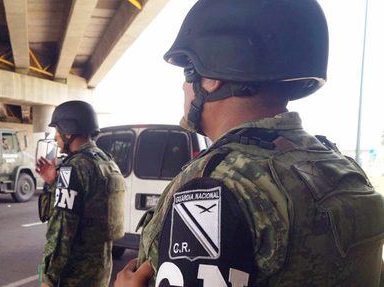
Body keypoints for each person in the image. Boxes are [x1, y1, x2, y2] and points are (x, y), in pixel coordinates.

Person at [115, 0, 384, 286]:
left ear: (212, 79)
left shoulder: (218, 183)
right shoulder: (343, 171)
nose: (183, 86)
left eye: (188, 71)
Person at [36, 100, 126, 287]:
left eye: (57, 130)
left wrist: (47, 279)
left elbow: (60, 233)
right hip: (99, 272)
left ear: (69, 131)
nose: (55, 137)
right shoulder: (107, 162)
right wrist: (54, 182)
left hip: (74, 276)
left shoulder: (74, 168)